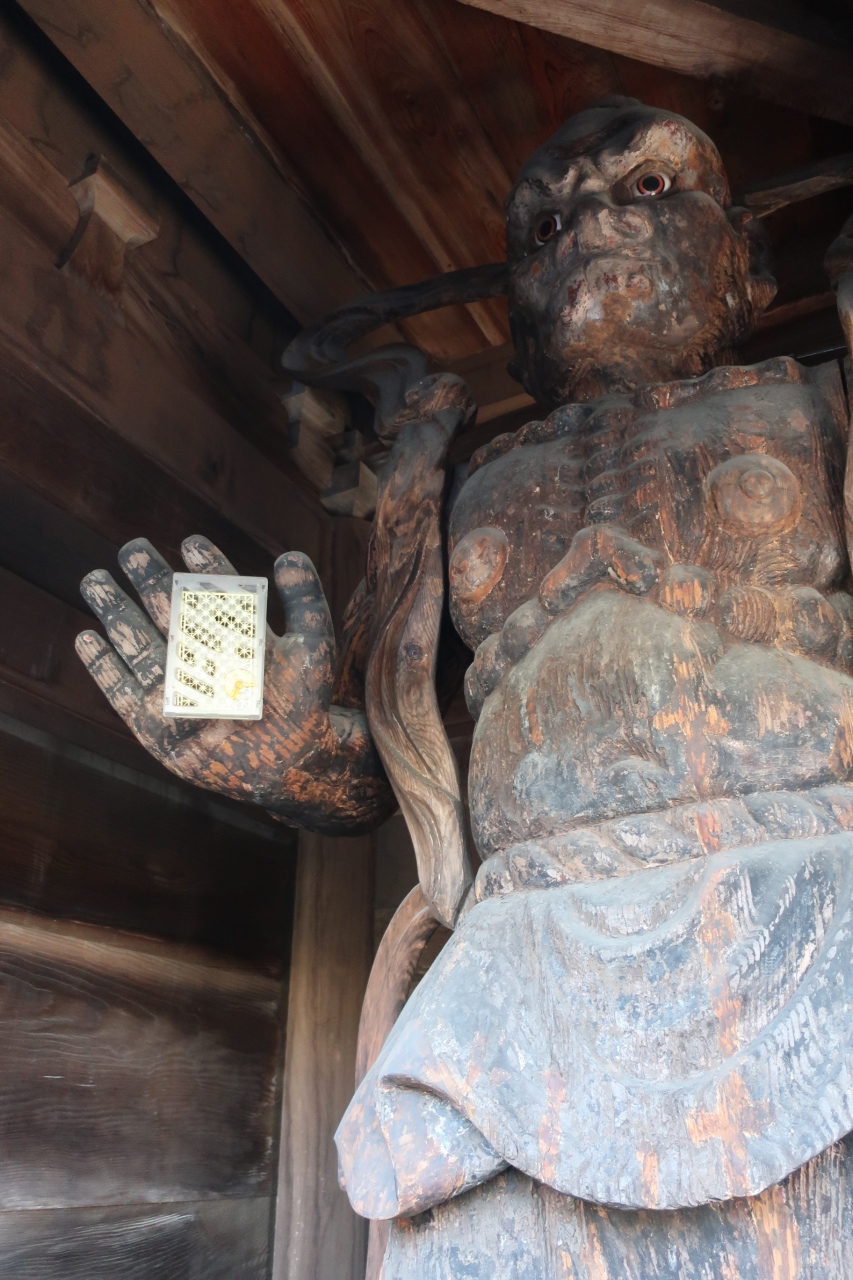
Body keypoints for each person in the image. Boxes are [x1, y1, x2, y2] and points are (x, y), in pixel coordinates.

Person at [77, 97, 853, 1277]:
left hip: (803, 876)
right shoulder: (464, 481)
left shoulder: (816, 405)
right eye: (541, 225)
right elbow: (389, 762)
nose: (582, 227)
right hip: (521, 936)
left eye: (645, 187)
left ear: (747, 258)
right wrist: (289, 753)